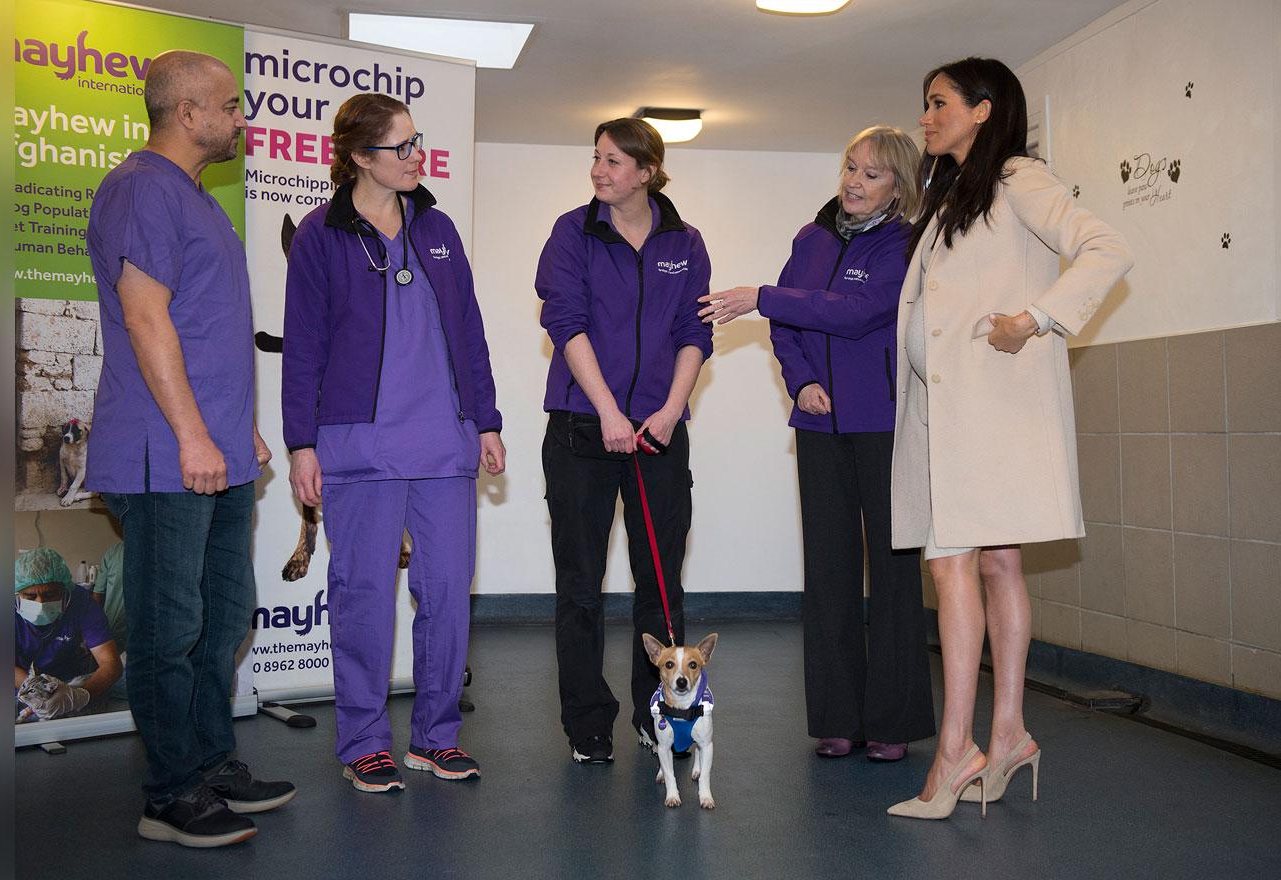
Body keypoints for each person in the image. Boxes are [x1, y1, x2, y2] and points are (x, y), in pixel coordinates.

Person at [885, 57, 1133, 819]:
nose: (925, 118)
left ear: (985, 110)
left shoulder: (1018, 177)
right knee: (994, 565)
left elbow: (1107, 248)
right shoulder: (951, 194)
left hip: (991, 409)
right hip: (949, 409)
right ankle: (1010, 731)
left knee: (959, 565)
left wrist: (1036, 318)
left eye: (939, 104)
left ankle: (957, 752)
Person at [86, 50, 294, 848]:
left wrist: (232, 424)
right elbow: (145, 318)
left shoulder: (198, 200)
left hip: (214, 450)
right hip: (166, 453)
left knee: (222, 615)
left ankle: (210, 765)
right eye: (231, 107)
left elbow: (204, 330)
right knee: (169, 626)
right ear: (188, 113)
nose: (242, 120)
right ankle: (169, 795)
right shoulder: (142, 188)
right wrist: (194, 432)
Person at [283, 93, 505, 794]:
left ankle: (437, 737)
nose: (417, 157)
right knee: (364, 596)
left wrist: (487, 418)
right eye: (400, 147)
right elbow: (304, 350)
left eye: (418, 142)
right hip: (359, 446)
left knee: (445, 593)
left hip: (444, 442)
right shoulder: (321, 235)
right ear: (357, 158)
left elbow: (468, 330)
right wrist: (300, 443)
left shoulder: (437, 229)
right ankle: (363, 741)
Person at [699, 126, 935, 762]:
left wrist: (761, 296)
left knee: (891, 572)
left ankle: (892, 722)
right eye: (851, 169)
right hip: (819, 427)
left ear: (899, 186)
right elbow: (789, 325)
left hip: (883, 425)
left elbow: (858, 310)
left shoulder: (905, 245)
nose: (855, 183)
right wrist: (800, 381)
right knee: (829, 570)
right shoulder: (812, 238)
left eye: (872, 174)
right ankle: (837, 717)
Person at [536, 118, 713, 764]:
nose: (598, 171)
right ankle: (587, 724)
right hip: (584, 430)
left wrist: (669, 411)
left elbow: (697, 335)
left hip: (660, 434)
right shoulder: (573, 233)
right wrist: (609, 410)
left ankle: (658, 712)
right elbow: (566, 321)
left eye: (612, 161)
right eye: (596, 158)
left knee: (660, 585)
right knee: (580, 585)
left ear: (647, 171)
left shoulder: (685, 242)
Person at [14, 548, 121, 721]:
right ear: (17, 594)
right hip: (20, 685)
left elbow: (111, 663)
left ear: (65, 591)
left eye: (50, 594)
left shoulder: (81, 602)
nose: (40, 603)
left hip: (68, 682)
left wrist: (79, 696)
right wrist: (39, 693)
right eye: (30, 596)